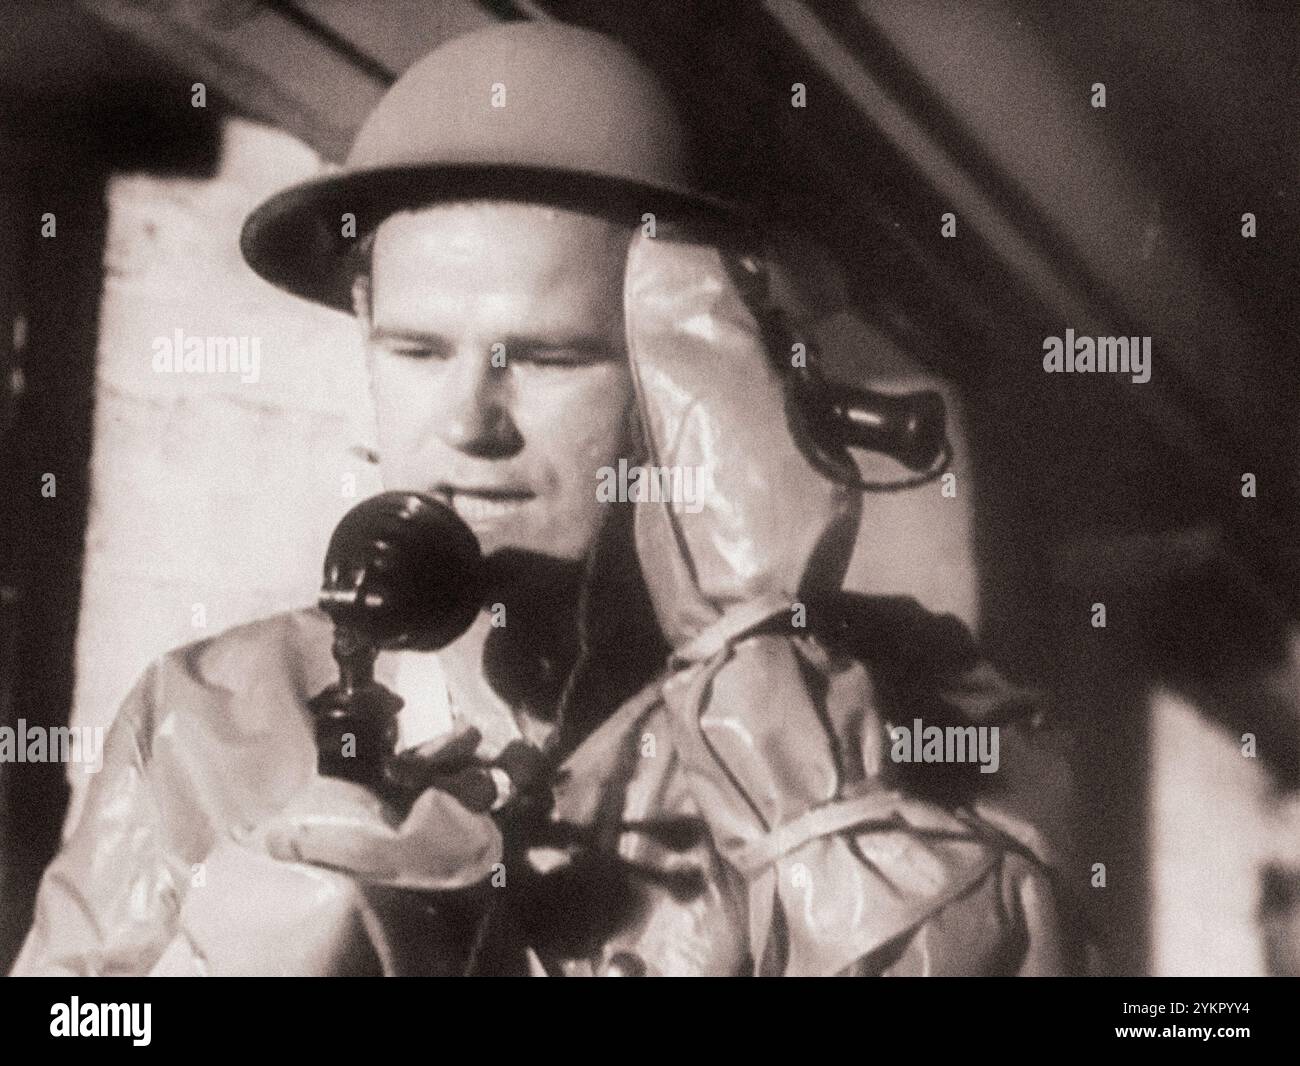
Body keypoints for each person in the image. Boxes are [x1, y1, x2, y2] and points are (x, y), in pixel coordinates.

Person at [12, 22, 1074, 976]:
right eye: (418, 350)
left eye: (552, 359)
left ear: (702, 378)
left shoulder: (925, 703)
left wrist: (778, 712)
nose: (469, 421)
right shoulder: (207, 719)